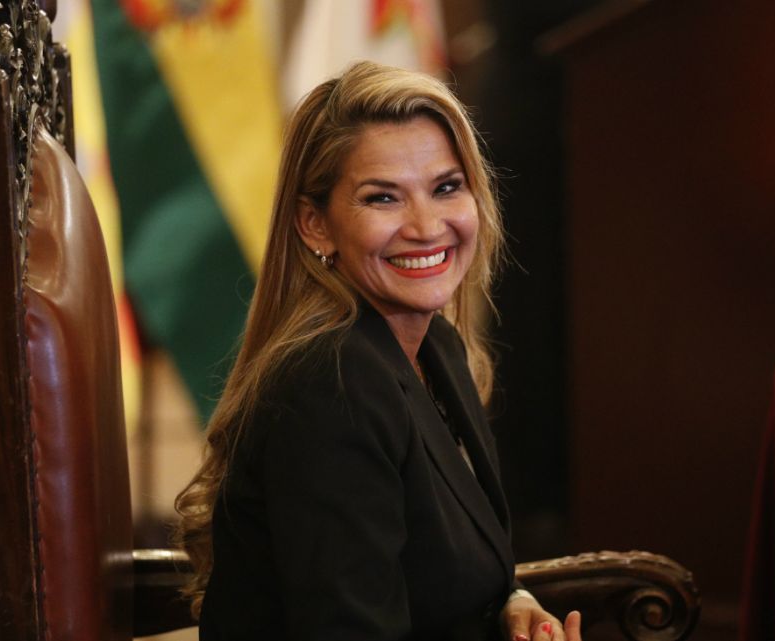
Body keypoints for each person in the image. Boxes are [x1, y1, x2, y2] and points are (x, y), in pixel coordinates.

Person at [175, 61, 582, 641]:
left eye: (446, 187)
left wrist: (509, 601)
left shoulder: (433, 346)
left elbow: (436, 568)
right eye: (383, 198)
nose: (426, 226)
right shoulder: (332, 386)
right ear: (315, 225)